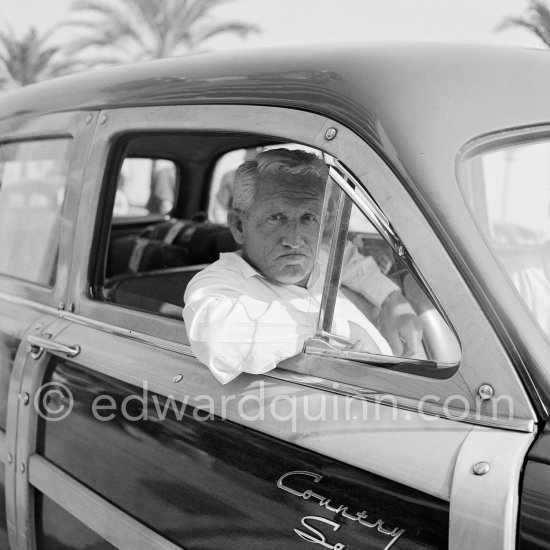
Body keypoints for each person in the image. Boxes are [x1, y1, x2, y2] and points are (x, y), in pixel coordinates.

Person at [183, 149, 422, 384]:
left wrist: (393, 301)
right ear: (238, 226)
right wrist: (342, 332)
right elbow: (215, 335)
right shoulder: (217, 283)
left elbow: (353, 263)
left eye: (308, 218)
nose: (295, 239)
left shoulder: (324, 257)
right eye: (276, 218)